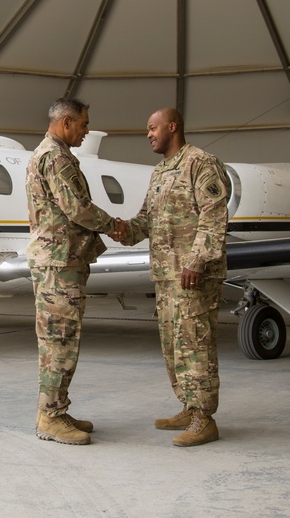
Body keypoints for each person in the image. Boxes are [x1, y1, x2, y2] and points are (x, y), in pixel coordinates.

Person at [114, 107, 229, 447]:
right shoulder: (161, 172)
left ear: (172, 126)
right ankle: (188, 405)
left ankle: (204, 418)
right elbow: (146, 221)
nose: (148, 134)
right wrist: (122, 230)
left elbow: (214, 215)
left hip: (193, 275)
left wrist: (198, 260)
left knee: (196, 345)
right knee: (174, 346)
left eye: (153, 128)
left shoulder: (201, 163)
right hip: (167, 277)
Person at [25, 97, 126, 445]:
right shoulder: (55, 158)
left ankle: (55, 409)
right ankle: (50, 418)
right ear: (66, 122)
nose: (86, 131)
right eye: (83, 124)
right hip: (59, 265)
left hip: (61, 261)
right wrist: (116, 226)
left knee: (61, 339)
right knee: (59, 340)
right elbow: (78, 209)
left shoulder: (52, 154)